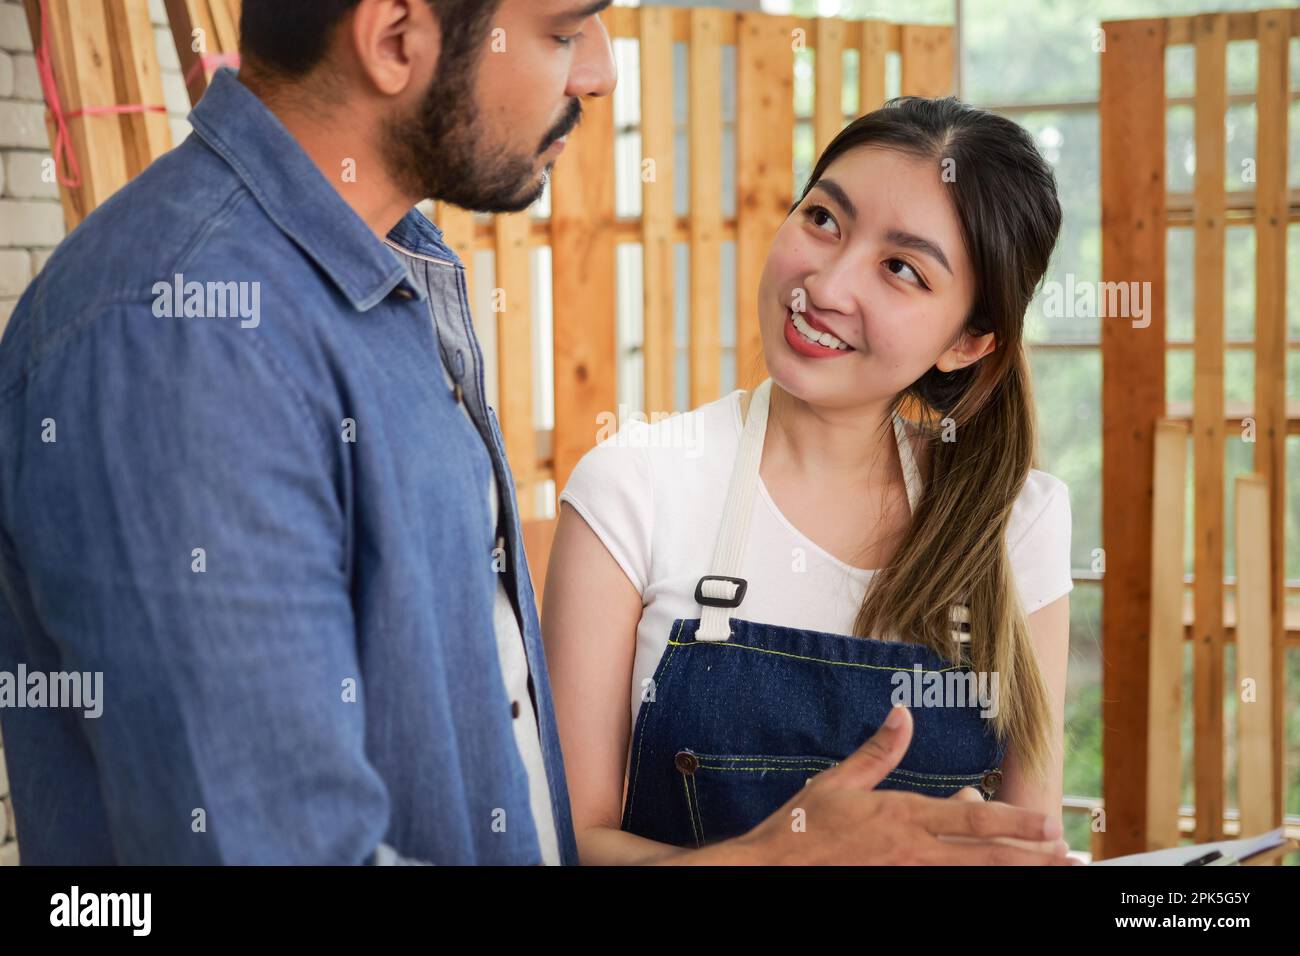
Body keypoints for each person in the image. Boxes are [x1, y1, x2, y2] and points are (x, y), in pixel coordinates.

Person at [0, 0, 1071, 865]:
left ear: (970, 340)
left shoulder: (396, 285)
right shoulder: (183, 336)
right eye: (567, 28)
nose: (600, 72)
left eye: (902, 266)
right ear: (396, 36)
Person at [544, 97, 1075, 863]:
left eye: (901, 268)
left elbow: (1028, 843)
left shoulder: (1017, 521)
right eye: (824, 219)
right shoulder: (635, 487)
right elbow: (570, 845)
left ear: (966, 342)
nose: (825, 285)